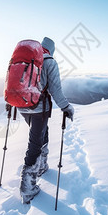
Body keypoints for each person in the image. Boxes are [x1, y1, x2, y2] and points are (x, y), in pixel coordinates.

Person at [18, 37, 74, 204]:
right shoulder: (49, 61)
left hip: (21, 105)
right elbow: (55, 90)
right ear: (52, 50)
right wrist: (66, 107)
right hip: (38, 108)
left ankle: (41, 166)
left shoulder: (27, 58)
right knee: (35, 142)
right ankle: (27, 188)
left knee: (42, 133)